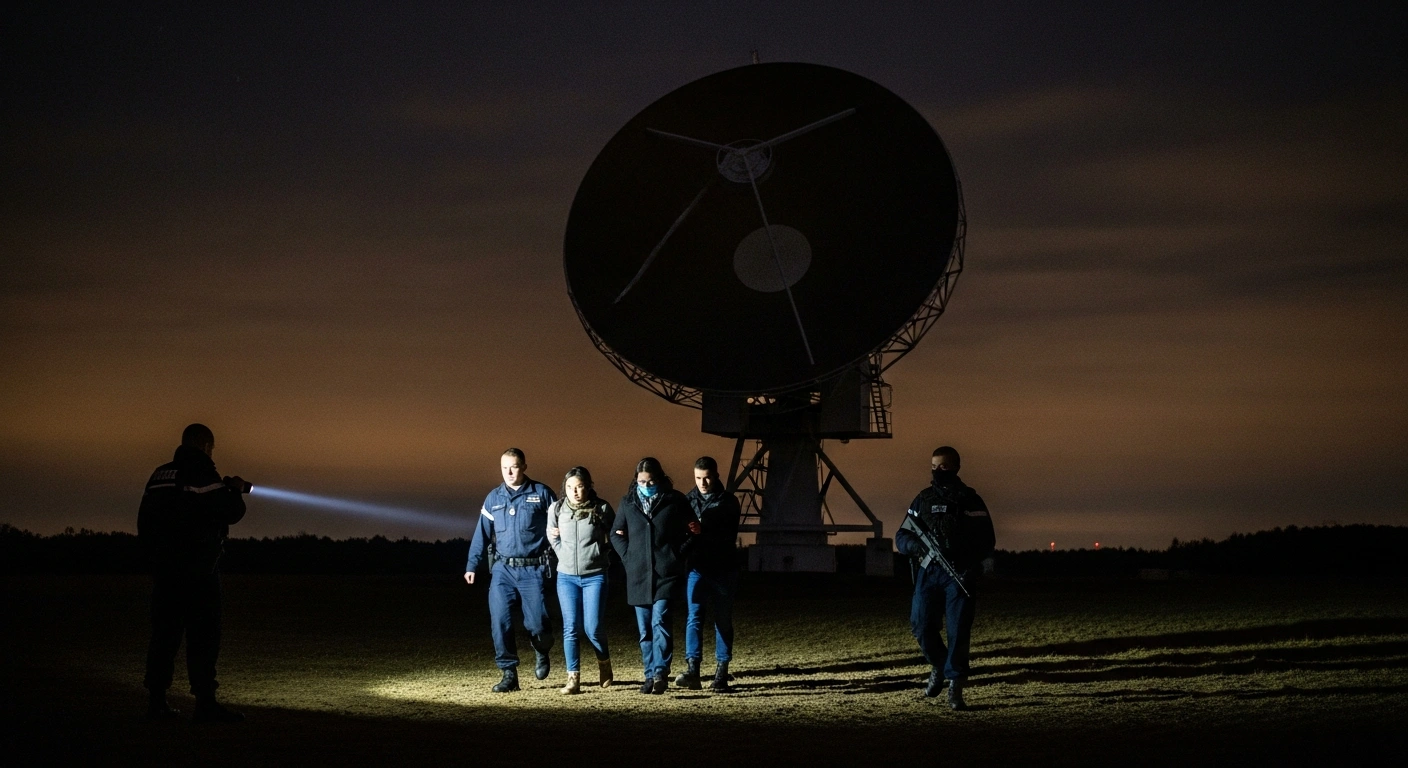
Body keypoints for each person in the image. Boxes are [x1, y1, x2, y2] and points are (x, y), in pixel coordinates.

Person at [137, 423, 248, 723]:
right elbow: (231, 511)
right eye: (211, 448)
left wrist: (155, 559)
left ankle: (156, 702)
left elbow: (144, 521)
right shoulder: (201, 471)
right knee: (203, 638)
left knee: (164, 636)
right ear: (205, 445)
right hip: (199, 572)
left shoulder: (159, 475)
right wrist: (235, 490)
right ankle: (205, 704)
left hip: (165, 572)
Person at [894, 446, 996, 710]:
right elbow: (902, 535)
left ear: (956, 467)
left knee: (958, 631)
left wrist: (979, 565)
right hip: (928, 572)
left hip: (959, 573)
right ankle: (939, 665)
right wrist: (916, 547)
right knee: (920, 624)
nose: (938, 471)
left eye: (943, 466)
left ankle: (955, 686)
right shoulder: (923, 499)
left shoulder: (970, 500)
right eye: (934, 466)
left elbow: (986, 539)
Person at [464, 448, 558, 693]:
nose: (509, 472)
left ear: (524, 466)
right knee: (500, 620)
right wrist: (472, 564)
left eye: (514, 467)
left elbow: (561, 526)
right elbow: (481, 533)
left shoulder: (542, 493)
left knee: (538, 624)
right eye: (504, 467)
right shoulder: (493, 498)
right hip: (503, 570)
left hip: (533, 568)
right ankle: (509, 674)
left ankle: (541, 648)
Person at [610, 457, 694, 694]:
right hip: (638, 575)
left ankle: (660, 673)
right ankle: (649, 675)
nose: (646, 486)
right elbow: (615, 533)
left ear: (659, 479)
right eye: (641, 482)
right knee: (645, 630)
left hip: (666, 574)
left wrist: (676, 555)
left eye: (650, 481)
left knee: (661, 622)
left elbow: (693, 531)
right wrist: (628, 557)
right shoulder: (628, 502)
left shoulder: (675, 500)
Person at [675, 456, 742, 692]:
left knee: (722, 619)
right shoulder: (687, 500)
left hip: (723, 569)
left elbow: (728, 536)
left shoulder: (729, 502)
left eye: (707, 478)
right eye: (698, 478)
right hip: (697, 567)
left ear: (715, 476)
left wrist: (703, 531)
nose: (702, 483)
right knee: (694, 618)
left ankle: (721, 673)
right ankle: (693, 670)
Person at [546, 466, 615, 694]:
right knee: (571, 627)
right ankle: (573, 678)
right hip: (566, 577)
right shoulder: (557, 509)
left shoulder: (602, 508)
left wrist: (600, 554)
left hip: (595, 575)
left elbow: (614, 536)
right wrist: (562, 553)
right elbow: (551, 534)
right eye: (569, 487)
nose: (574, 492)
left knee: (592, 627)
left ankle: (604, 664)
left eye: (579, 487)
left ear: (588, 486)